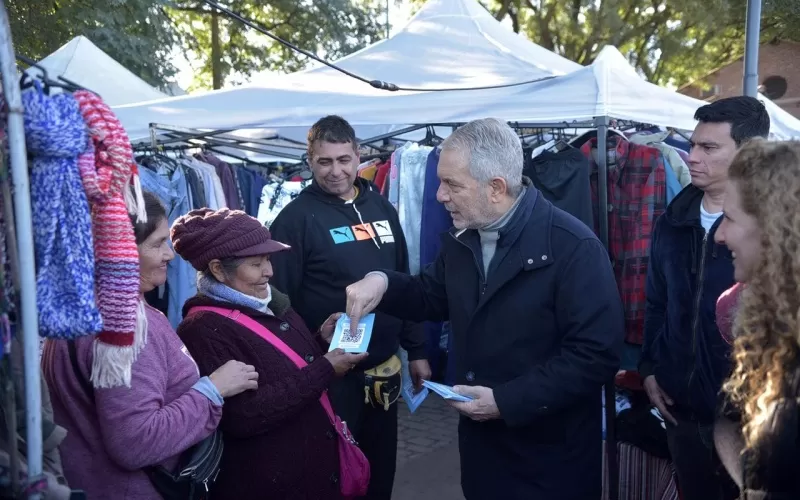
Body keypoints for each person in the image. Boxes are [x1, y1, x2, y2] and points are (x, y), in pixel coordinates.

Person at [344, 117, 623, 499]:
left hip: (552, 461)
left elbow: (595, 356)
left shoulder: (574, 247)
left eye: (452, 185)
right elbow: (430, 294)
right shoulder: (464, 240)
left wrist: (506, 402)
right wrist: (384, 282)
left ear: (496, 188)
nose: (440, 195)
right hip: (483, 453)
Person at [41, 191, 259, 499]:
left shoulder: (78, 306)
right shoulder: (125, 324)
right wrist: (213, 390)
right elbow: (135, 442)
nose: (170, 255)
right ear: (120, 251)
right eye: (157, 244)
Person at [268, 115, 430, 499]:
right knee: (337, 474)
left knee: (380, 472)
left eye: (344, 159)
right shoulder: (294, 221)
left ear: (359, 155)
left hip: (384, 371)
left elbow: (403, 281)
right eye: (325, 162)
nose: (336, 171)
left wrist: (418, 350)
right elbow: (277, 304)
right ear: (310, 160)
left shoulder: (382, 207)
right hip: (332, 375)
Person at [171, 207, 368, 500]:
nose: (269, 271)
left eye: (267, 260)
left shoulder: (269, 303)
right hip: (272, 483)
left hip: (312, 472)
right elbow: (244, 416)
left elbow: (284, 368)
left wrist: (320, 341)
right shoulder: (202, 329)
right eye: (256, 264)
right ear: (216, 269)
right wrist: (325, 368)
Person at [639, 96, 770, 500]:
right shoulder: (672, 222)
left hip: (751, 423)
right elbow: (657, 303)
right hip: (683, 413)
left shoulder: (775, 227)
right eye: (693, 144)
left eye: (709, 148)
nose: (692, 156)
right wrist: (650, 368)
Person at [712, 140, 800, 498]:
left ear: (776, 230)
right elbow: (728, 420)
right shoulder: (775, 330)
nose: (719, 235)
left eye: (730, 218)